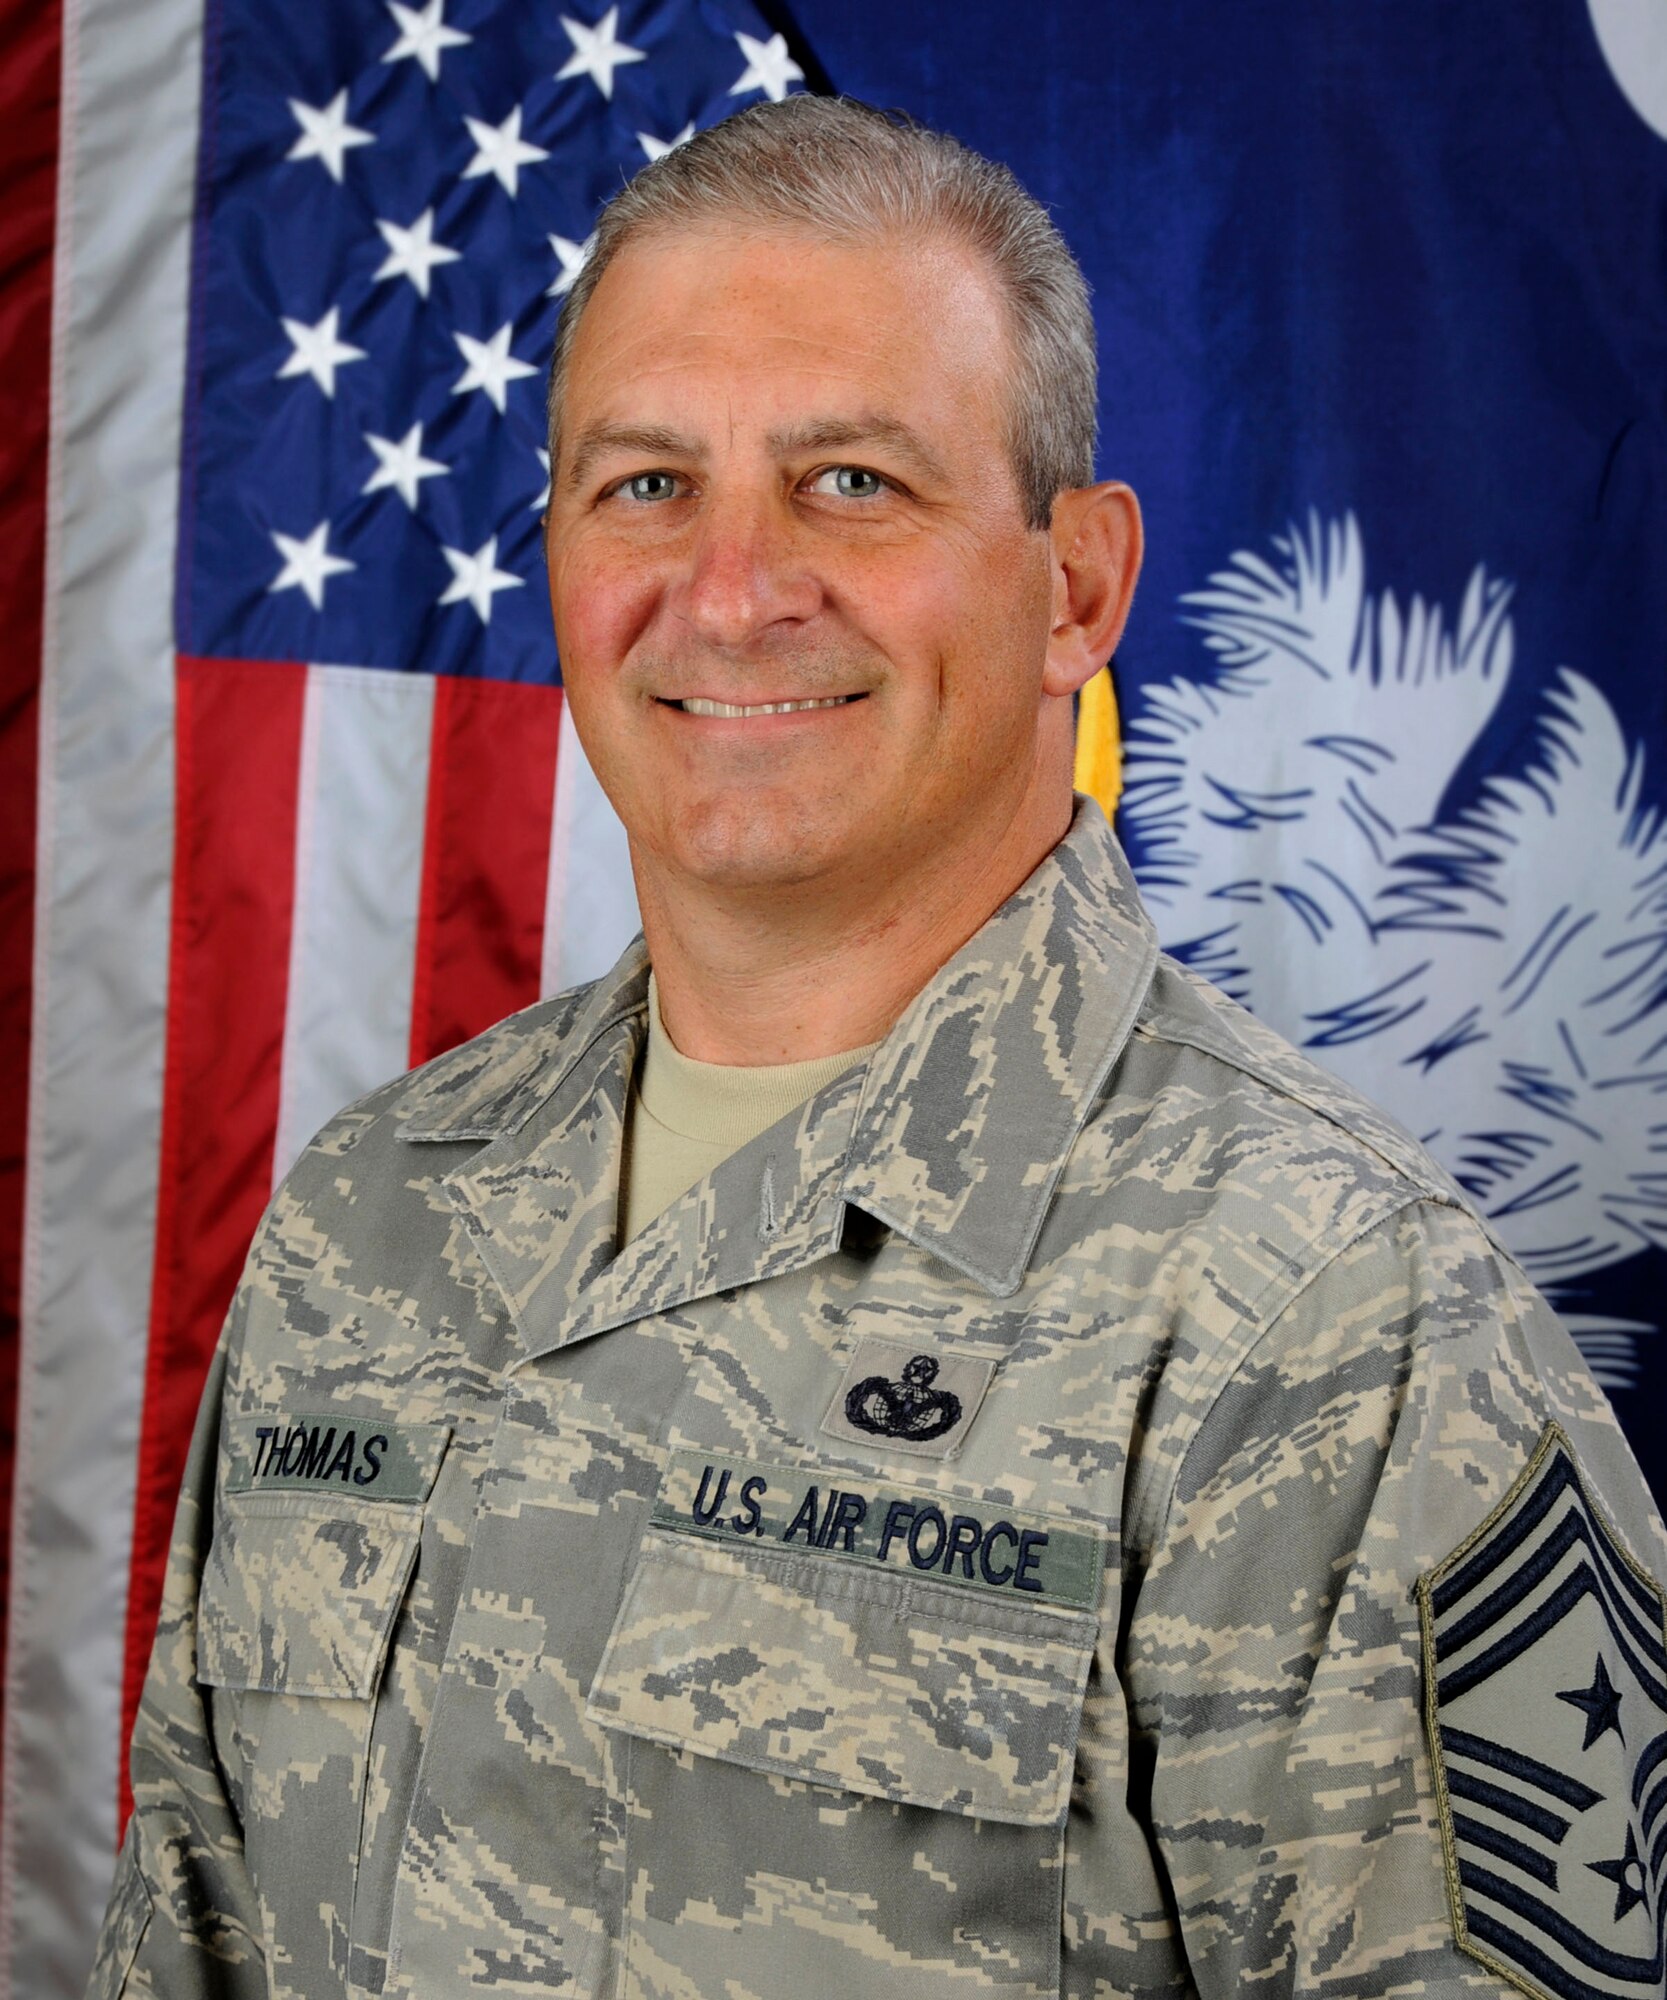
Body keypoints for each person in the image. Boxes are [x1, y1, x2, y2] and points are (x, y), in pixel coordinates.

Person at [89, 95, 1667, 2000]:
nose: (737, 588)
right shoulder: (371, 1220)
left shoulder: (1329, 1325)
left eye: (853, 481)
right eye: (646, 485)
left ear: (1075, 585)